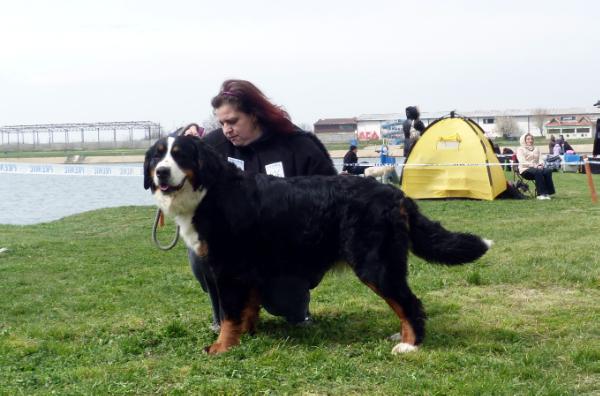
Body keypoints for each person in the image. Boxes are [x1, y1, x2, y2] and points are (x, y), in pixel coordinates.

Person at [192, 79, 337, 331]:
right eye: (222, 123)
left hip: (287, 250)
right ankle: (226, 319)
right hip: (234, 247)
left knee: (284, 299)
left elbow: (331, 196)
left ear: (255, 114)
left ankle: (297, 312)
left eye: (233, 121)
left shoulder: (299, 145)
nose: (227, 129)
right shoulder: (212, 147)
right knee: (201, 251)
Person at [516, 133, 556, 200]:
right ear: (524, 140)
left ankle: (548, 193)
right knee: (538, 171)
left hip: (537, 168)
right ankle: (540, 194)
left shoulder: (537, 148)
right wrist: (534, 165)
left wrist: (540, 164)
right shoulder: (520, 149)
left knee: (548, 171)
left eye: (531, 139)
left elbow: (541, 158)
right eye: (528, 139)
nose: (530, 140)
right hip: (525, 170)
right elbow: (522, 161)